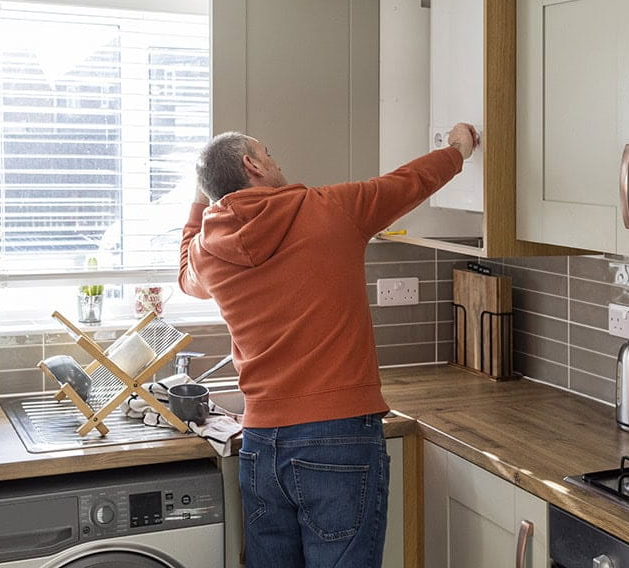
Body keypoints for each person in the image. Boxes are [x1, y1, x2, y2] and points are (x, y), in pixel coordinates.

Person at [177, 124, 479, 568]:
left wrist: (203, 194)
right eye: (268, 151)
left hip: (261, 444)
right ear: (253, 166)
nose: (275, 159)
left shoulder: (208, 251)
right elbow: (408, 183)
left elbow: (184, 271)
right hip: (338, 438)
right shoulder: (333, 208)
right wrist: (458, 149)